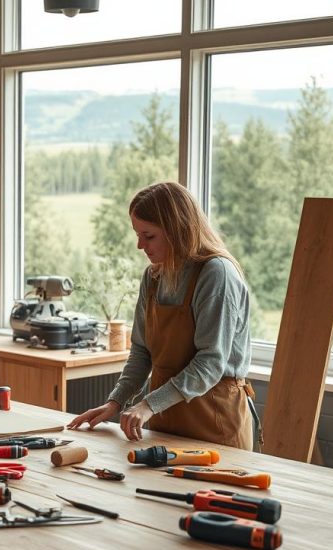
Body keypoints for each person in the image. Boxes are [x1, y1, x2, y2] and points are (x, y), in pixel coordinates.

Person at [68, 181, 254, 450]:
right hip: (163, 419)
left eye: (149, 235)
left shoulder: (217, 274)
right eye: (137, 234)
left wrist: (148, 404)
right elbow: (142, 352)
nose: (139, 245)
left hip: (214, 422)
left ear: (177, 230)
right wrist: (116, 402)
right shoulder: (154, 276)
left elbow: (211, 362)